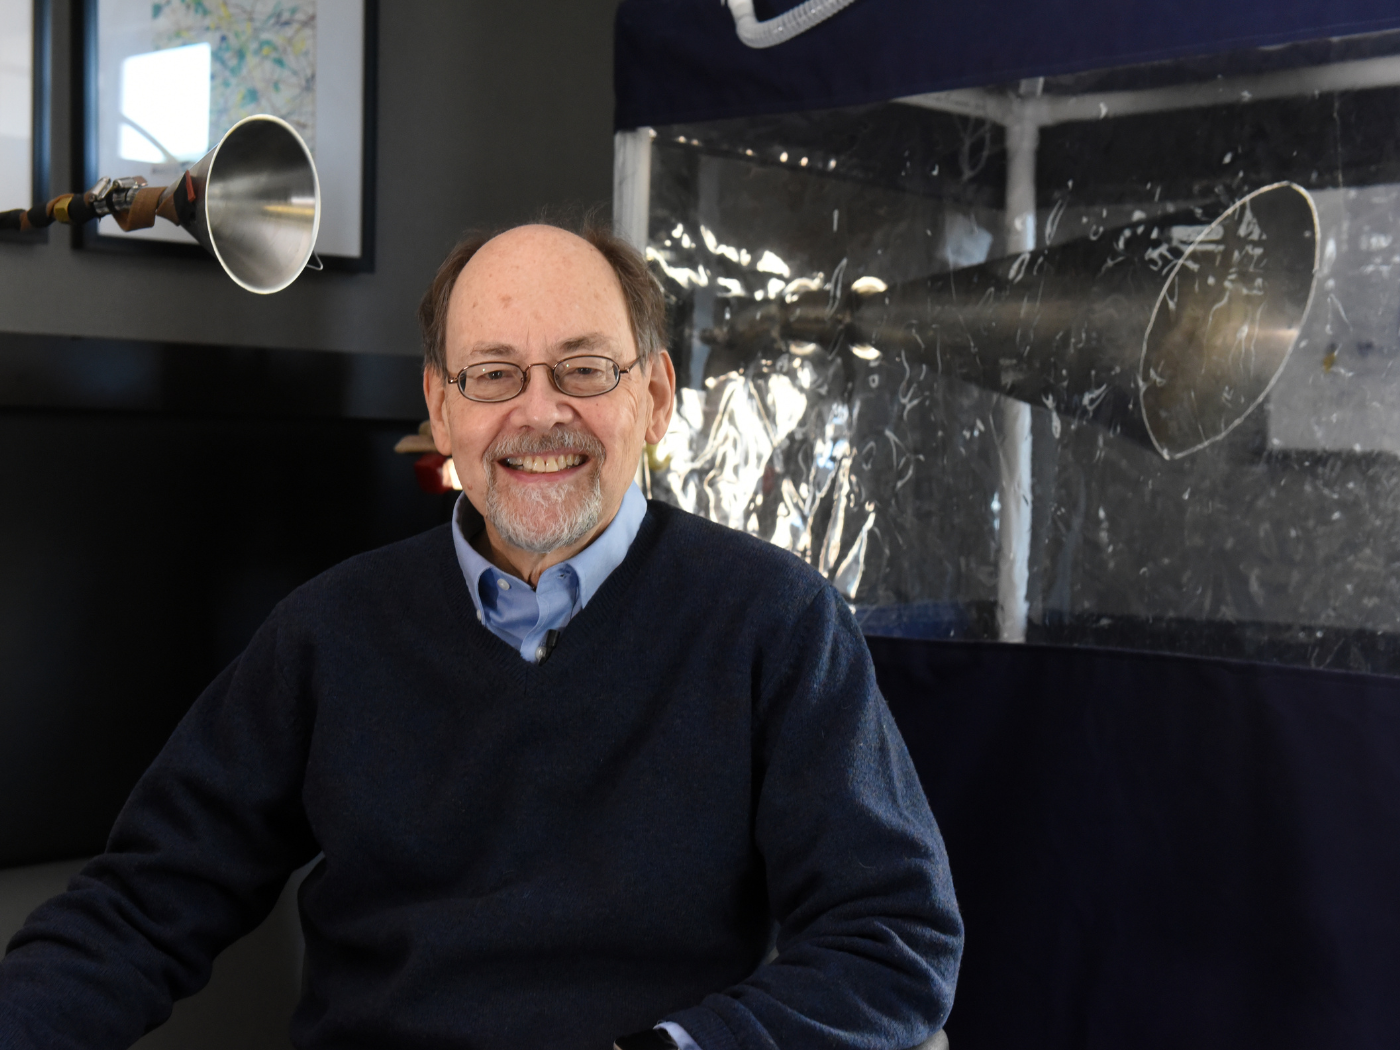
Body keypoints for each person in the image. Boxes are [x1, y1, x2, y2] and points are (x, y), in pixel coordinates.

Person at [0, 222, 963, 1050]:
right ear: (443, 406)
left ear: (656, 396)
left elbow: (894, 937)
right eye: (494, 374)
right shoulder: (330, 632)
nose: (539, 412)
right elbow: (139, 908)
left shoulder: (774, 621)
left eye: (584, 368)